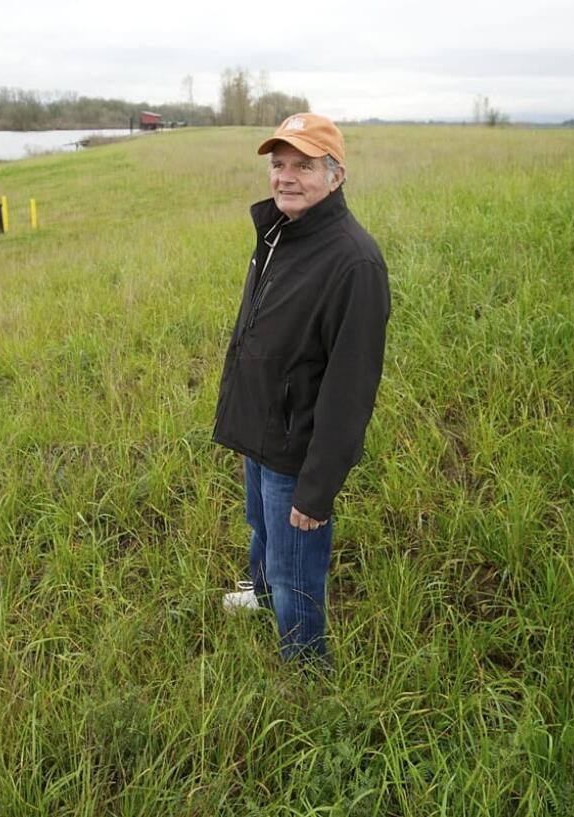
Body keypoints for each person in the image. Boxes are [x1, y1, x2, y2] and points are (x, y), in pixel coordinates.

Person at [212, 113, 390, 664]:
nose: (285, 177)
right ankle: (260, 598)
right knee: (260, 530)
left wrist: (317, 488)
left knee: (297, 568)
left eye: (303, 166)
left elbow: (350, 389)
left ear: (336, 176)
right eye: (278, 164)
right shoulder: (279, 231)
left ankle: (306, 667)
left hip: (298, 448)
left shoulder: (353, 262)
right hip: (261, 428)